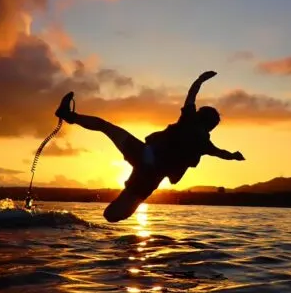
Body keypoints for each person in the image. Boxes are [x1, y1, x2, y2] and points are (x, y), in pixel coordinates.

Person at [53, 70, 245, 222]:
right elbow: (223, 154)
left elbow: (192, 94)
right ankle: (113, 219)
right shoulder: (205, 143)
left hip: (143, 155)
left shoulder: (189, 120)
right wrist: (235, 156)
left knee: (106, 127)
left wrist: (201, 79)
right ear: (211, 126)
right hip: (151, 175)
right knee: (113, 215)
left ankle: (69, 115)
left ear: (200, 117)